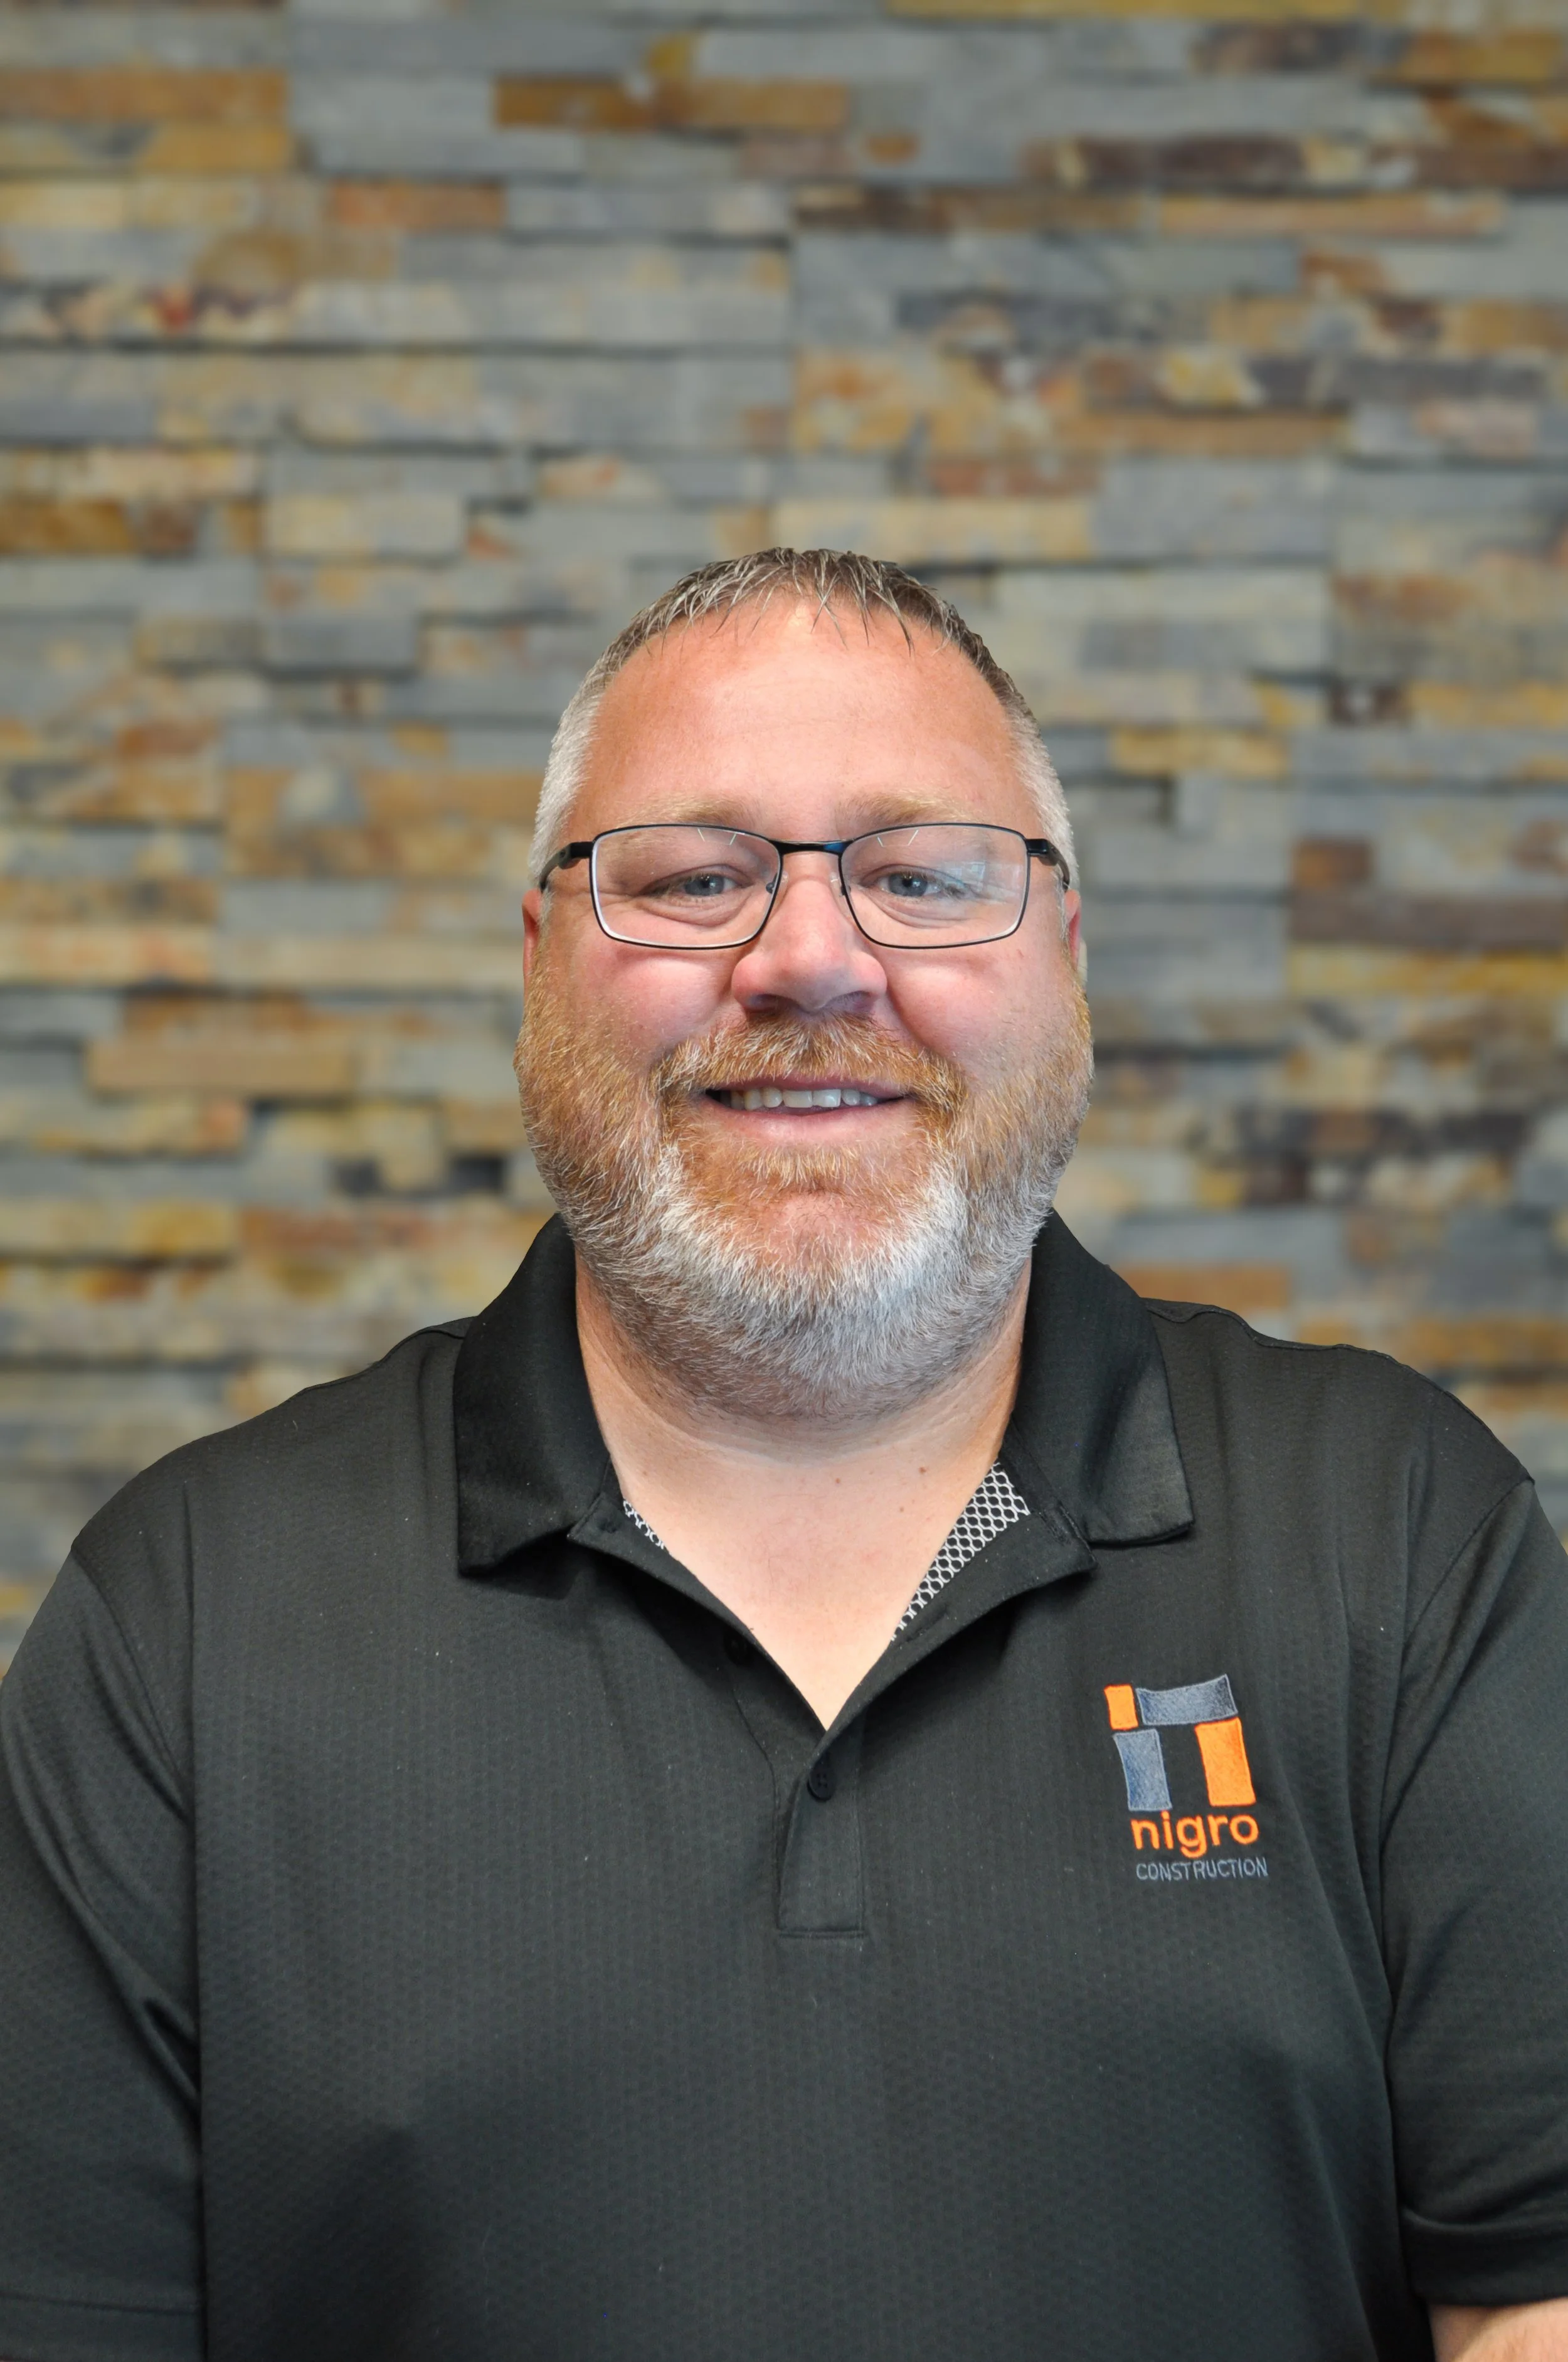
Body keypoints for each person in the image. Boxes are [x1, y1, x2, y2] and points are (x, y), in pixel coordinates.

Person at [0, 550, 1564, 2362]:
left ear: (1063, 957)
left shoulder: (1392, 1534)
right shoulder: (189, 1618)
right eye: (691, 877)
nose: (810, 958)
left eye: (921, 876)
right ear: (540, 965)